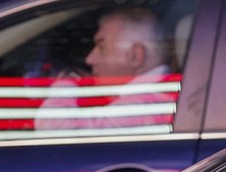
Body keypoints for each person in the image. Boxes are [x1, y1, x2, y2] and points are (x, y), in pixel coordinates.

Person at [35, 6, 173, 131]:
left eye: (102, 47)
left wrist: (68, 80)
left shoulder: (143, 106)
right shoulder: (164, 94)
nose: (89, 59)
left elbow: (53, 129)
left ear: (135, 56)